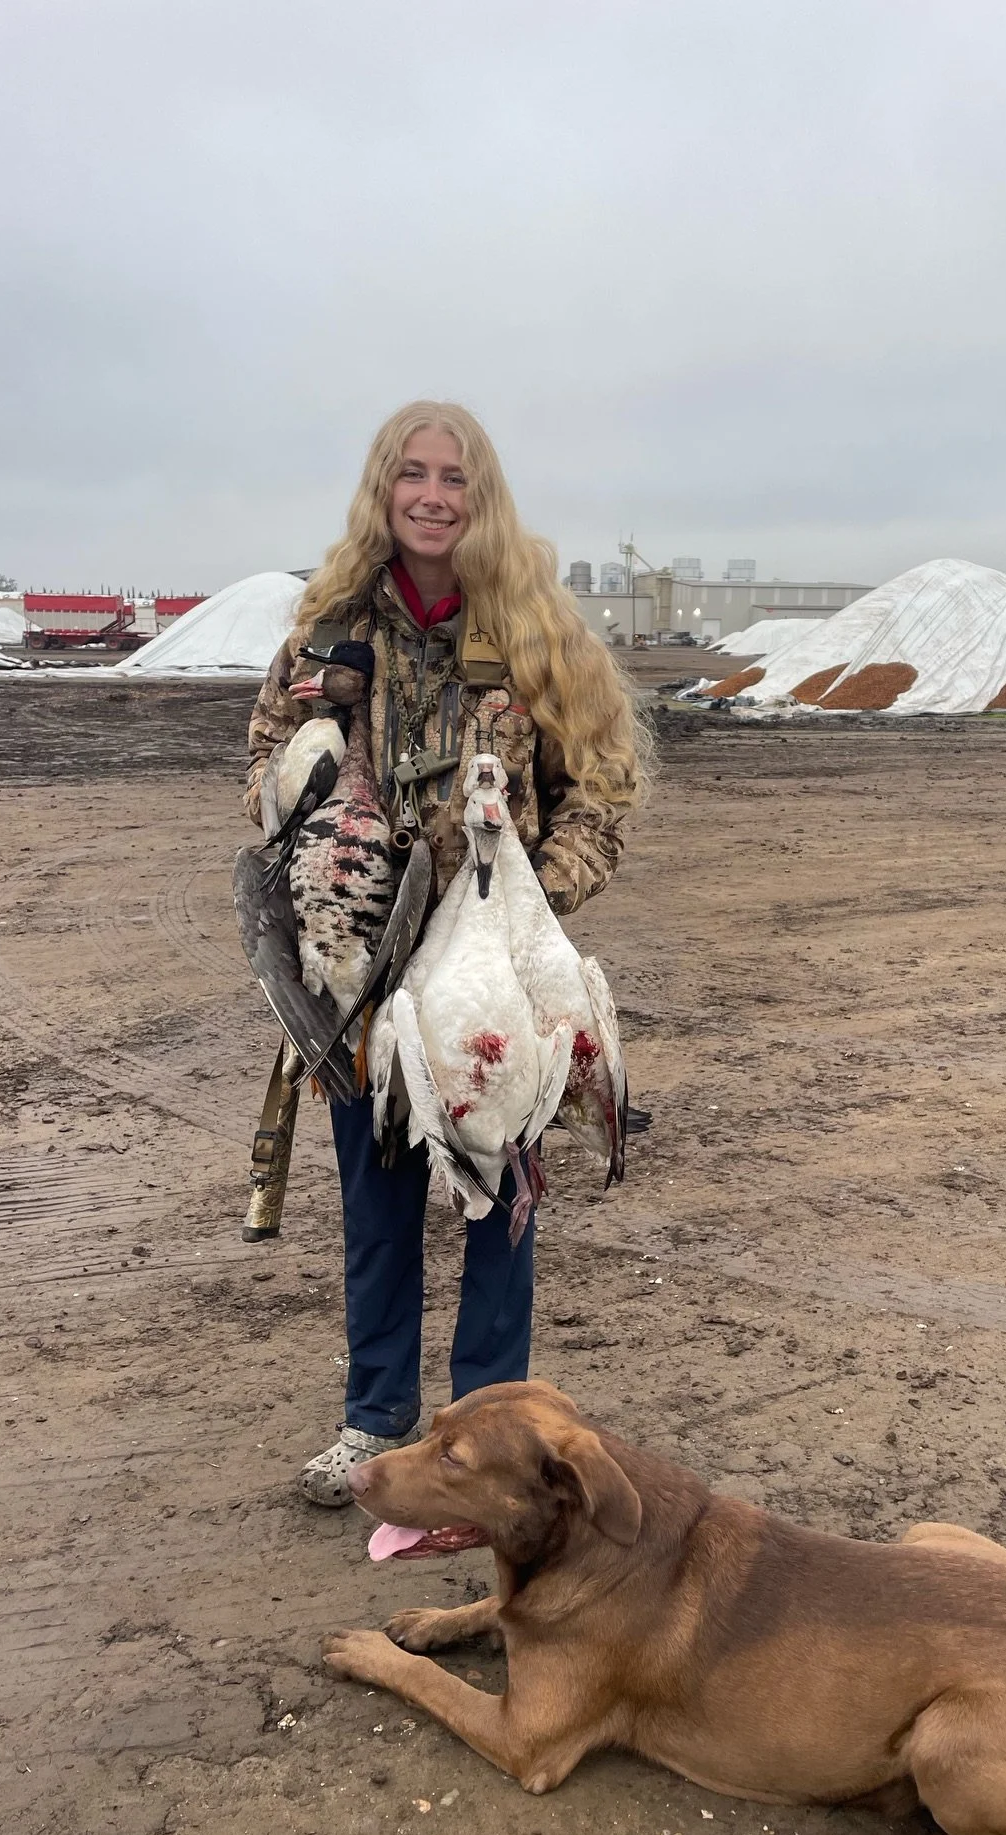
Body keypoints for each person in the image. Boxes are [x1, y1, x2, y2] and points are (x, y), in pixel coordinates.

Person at [245, 401, 645, 1509]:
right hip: (364, 986)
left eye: (454, 478)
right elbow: (264, 781)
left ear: (483, 496)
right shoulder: (325, 633)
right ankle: (374, 1418)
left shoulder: (532, 629)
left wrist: (521, 903)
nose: (432, 496)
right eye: (411, 475)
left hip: (486, 980)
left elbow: (600, 791)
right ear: (383, 490)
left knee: (495, 1202)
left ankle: (495, 1434)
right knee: (376, 1209)